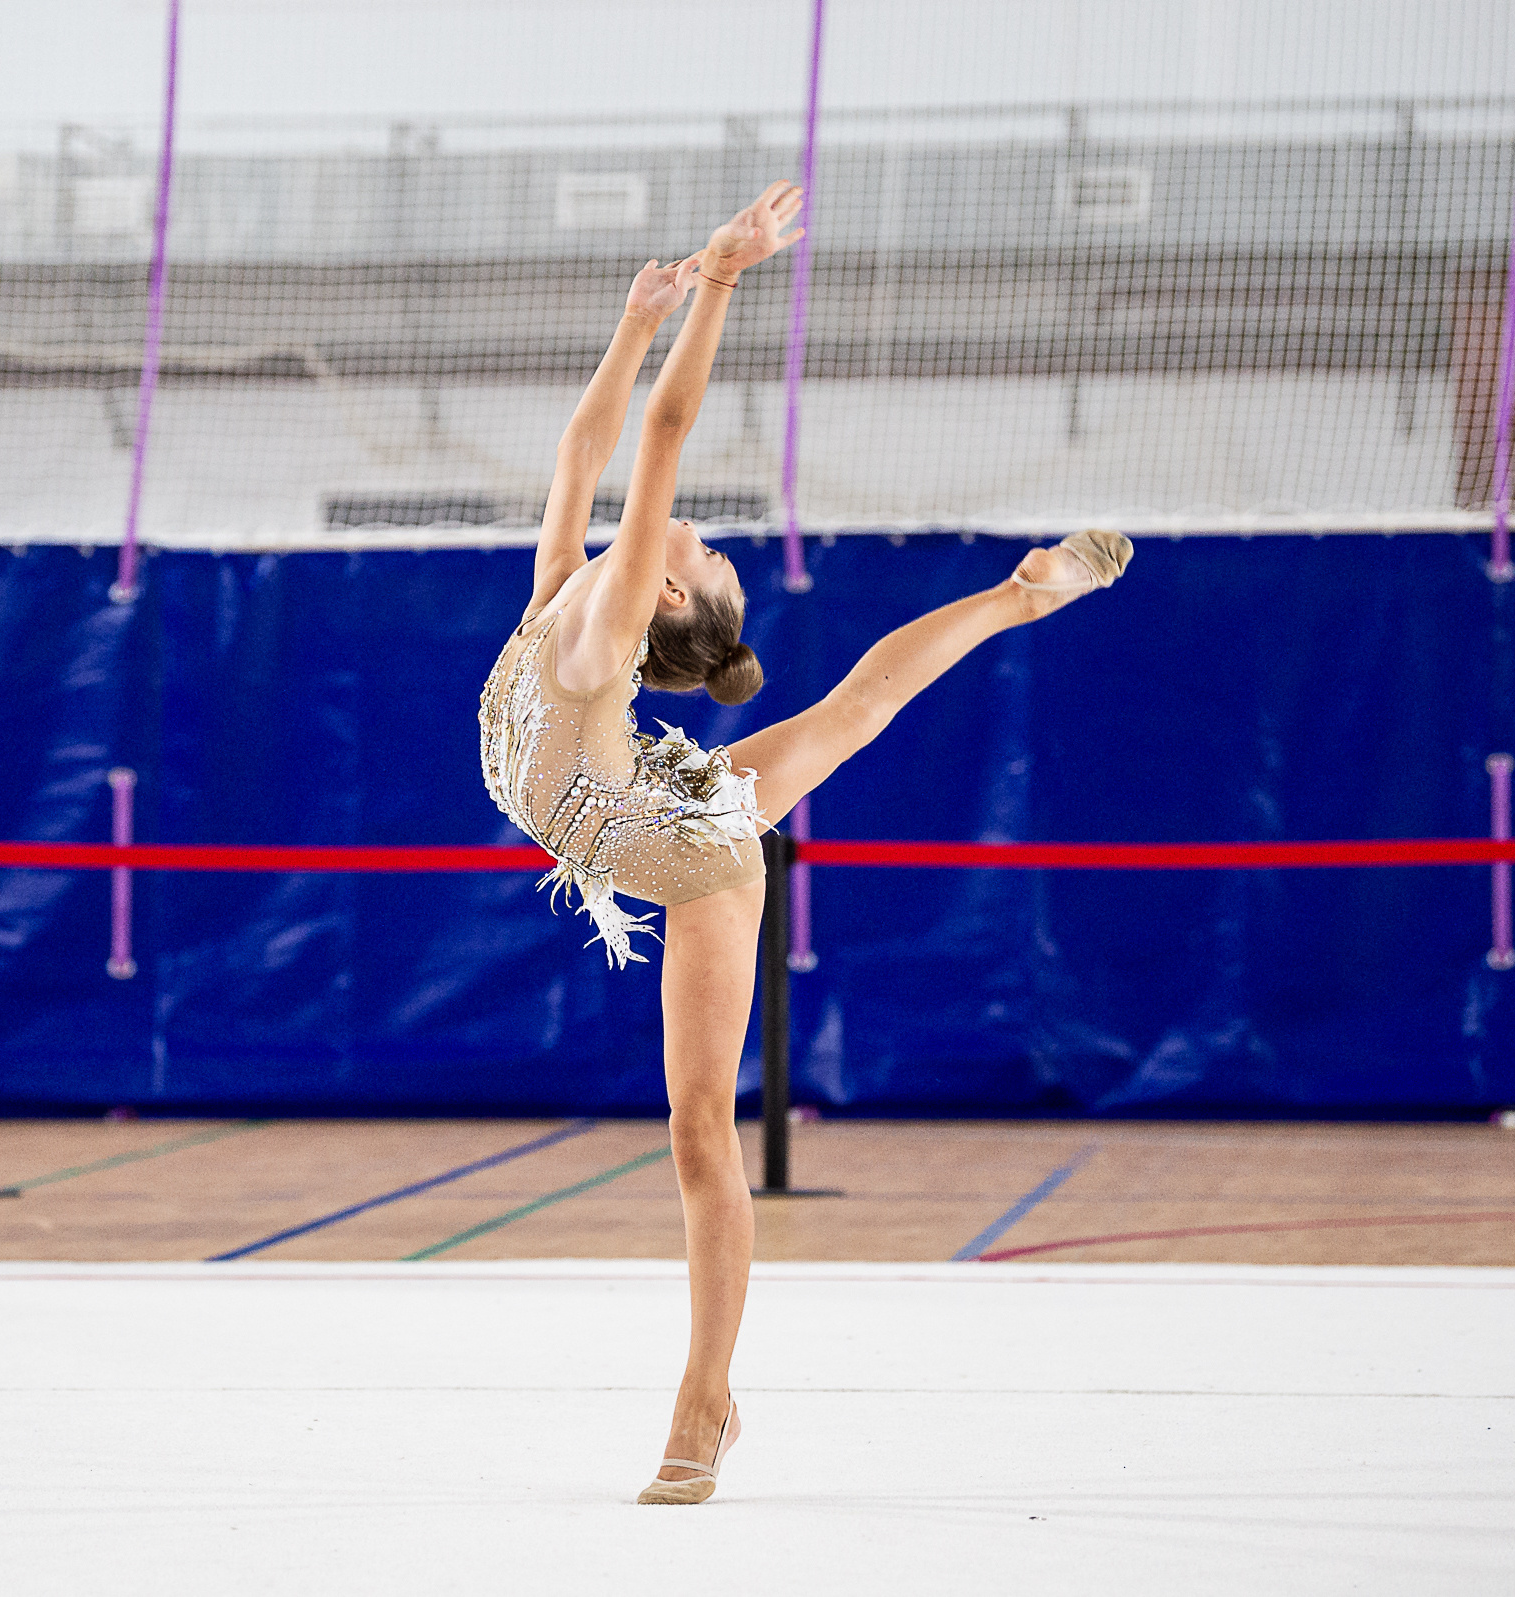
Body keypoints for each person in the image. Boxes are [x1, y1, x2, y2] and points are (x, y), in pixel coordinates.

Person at [477, 181, 1132, 1505]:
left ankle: (706, 1397)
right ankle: (1016, 597)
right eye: (707, 538)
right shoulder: (575, 601)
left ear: (662, 587)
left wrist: (718, 282)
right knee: (847, 713)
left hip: (685, 850)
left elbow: (654, 428)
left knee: (700, 1133)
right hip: (630, 790)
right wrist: (646, 309)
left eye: (693, 540)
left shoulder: (600, 626)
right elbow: (596, 439)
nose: (691, 524)